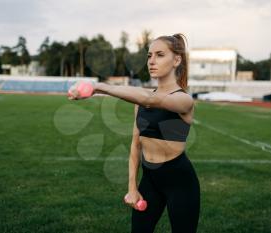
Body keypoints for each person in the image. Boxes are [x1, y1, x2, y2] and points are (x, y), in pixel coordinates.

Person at [68, 33, 200, 233]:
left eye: (159, 55)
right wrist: (132, 186)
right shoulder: (141, 101)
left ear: (177, 60)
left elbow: (151, 100)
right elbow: (136, 144)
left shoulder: (184, 100)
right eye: (149, 56)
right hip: (150, 179)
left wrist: (99, 87)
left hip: (179, 181)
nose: (152, 61)